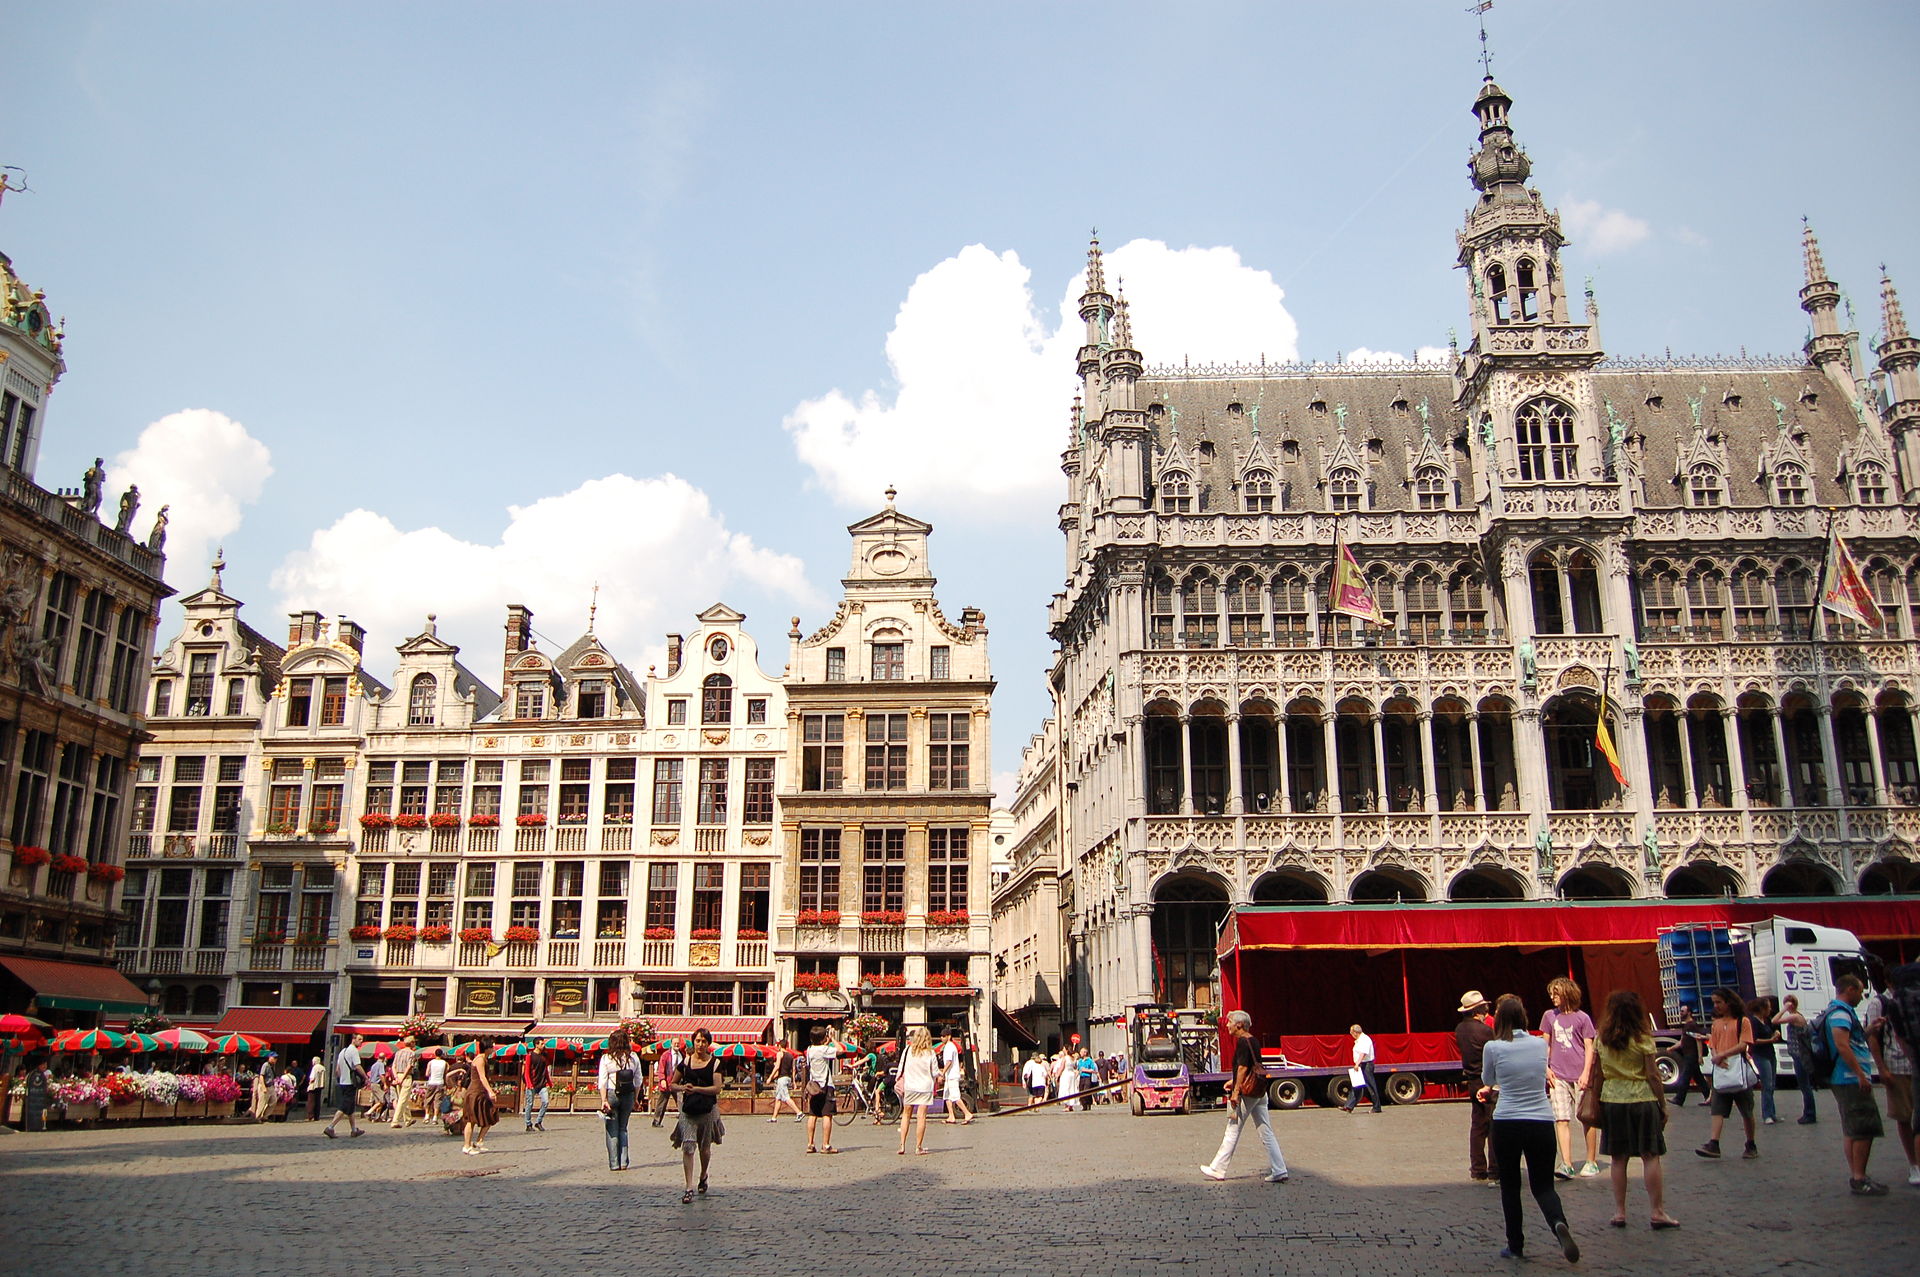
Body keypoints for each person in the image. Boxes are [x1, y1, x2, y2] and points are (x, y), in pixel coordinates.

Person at [1480, 995, 1578, 1263]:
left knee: (1510, 1187)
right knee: (1544, 1186)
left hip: (1508, 1120)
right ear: (1524, 1017)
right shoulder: (1538, 1045)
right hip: (1541, 1120)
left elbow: (1489, 1079)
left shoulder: (1493, 1047)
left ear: (1499, 1019)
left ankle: (1515, 1245)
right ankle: (1558, 1223)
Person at [1595, 989, 1679, 1230]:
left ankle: (1620, 1211)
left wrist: (1598, 1101)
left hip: (1612, 1099)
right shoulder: (1643, 1038)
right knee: (1650, 1155)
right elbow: (1653, 1075)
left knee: (1618, 1158)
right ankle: (1657, 1211)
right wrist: (1662, 1104)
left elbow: (1598, 1074)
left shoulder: (1602, 1038)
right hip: (1642, 1098)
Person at [1200, 1009, 1289, 1183]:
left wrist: (1236, 1090)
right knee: (1266, 1131)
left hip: (1247, 1093)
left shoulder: (1242, 1042)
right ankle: (1279, 1169)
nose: (1227, 1025)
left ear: (1239, 1025)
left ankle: (1218, 1168)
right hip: (1258, 1091)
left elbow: (1242, 1068)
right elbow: (1251, 1066)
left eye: (1230, 1022)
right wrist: (1232, 1081)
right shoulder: (1253, 1040)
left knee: (1232, 1129)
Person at [1825, 973, 1889, 1195]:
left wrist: (1870, 1030)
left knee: (1852, 1129)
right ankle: (1859, 1177)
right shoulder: (1840, 1013)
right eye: (1860, 991)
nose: (1862, 996)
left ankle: (1857, 1175)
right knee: (1863, 1128)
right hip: (1849, 1078)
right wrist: (1861, 1074)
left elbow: (1851, 1039)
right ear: (1849, 989)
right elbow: (1842, 1045)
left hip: (1844, 1077)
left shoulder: (1838, 1012)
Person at [1865, 964, 1920, 1187]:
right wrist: (1882, 1069)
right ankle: (1913, 1164)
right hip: (1896, 1066)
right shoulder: (1880, 1003)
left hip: (1911, 1063)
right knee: (1904, 1117)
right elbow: (1873, 1038)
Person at [1541, 977, 1600, 1180]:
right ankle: (1566, 1163)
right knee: (1561, 1118)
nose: (1552, 997)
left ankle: (1591, 1160)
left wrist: (1586, 1073)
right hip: (1558, 1074)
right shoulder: (1549, 1016)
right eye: (1551, 993)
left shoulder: (1582, 1018)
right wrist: (1546, 1067)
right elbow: (1545, 1045)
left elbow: (1589, 1047)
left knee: (1586, 1117)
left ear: (1567, 994)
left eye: (1556, 993)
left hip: (1579, 1073)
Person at [1696, 987, 1759, 1160]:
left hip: (1737, 1068)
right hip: (1722, 1070)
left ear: (1728, 1002)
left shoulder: (1742, 1021)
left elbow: (1743, 1044)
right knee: (1717, 1109)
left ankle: (1750, 1143)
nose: (1716, 1006)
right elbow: (1713, 1044)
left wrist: (1723, 1055)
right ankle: (1714, 1143)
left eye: (1718, 1002)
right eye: (1714, 1002)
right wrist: (1716, 1056)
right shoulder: (1716, 1023)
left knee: (1746, 1111)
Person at [670, 1027, 724, 1201]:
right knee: (688, 1145)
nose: (700, 1044)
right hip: (688, 1109)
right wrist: (683, 1088)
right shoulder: (685, 1062)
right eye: (698, 1041)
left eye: (704, 1041)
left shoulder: (715, 1063)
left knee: (705, 1148)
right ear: (693, 1041)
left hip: (707, 1109)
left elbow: (717, 1088)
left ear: (708, 1044)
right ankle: (688, 1187)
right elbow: (673, 1084)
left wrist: (698, 1089)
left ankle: (703, 1175)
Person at [1456, 990, 1495, 1183]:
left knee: (1477, 1126)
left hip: (1472, 1080)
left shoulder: (1460, 1029)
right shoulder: (1485, 1031)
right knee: (1493, 1125)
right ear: (1478, 1010)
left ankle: (1478, 1168)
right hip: (1486, 1081)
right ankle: (1495, 1169)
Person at [598, 1027, 641, 1170]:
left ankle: (614, 1163)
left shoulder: (607, 1058)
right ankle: (624, 1162)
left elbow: (602, 1081)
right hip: (628, 1094)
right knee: (623, 1128)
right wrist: (635, 1098)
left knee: (612, 1130)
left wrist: (604, 1100)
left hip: (612, 1094)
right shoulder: (634, 1057)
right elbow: (638, 1080)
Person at [891, 1026, 940, 1154]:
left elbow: (900, 1066)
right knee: (921, 1117)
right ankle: (918, 1147)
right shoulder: (930, 1053)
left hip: (910, 1086)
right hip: (925, 1087)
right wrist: (941, 1074)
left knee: (906, 1115)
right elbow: (935, 1072)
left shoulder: (908, 1050)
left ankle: (902, 1145)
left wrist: (898, 1079)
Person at [1775, 994, 1819, 1123]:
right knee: (1804, 1085)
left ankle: (1810, 1113)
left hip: (1800, 1054)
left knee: (1804, 1085)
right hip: (1798, 1053)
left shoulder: (1795, 1016)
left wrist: (1783, 1010)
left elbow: (1775, 1020)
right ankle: (1808, 1112)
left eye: (1787, 1004)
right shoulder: (1796, 1016)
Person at [322, 1033, 369, 1139]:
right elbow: (357, 1066)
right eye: (359, 1039)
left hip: (343, 1082)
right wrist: (365, 1077)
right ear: (353, 1039)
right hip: (349, 1083)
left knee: (350, 1107)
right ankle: (330, 1127)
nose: (361, 1041)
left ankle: (353, 1130)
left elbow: (337, 1069)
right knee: (344, 1107)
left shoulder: (342, 1051)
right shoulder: (354, 1051)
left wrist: (340, 1078)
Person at [803, 1025, 840, 1154]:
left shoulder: (809, 1050)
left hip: (814, 1087)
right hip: (826, 1086)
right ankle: (826, 1145)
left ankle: (810, 1144)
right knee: (827, 1115)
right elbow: (840, 1050)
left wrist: (826, 1040)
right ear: (823, 1038)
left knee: (812, 1115)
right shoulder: (824, 1050)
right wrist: (833, 1039)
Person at [1747, 997, 1782, 1125]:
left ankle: (1772, 1113)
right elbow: (1754, 1040)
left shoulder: (1765, 1020)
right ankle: (1766, 1114)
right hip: (1760, 1054)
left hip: (1770, 1053)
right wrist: (1770, 1040)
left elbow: (1773, 1027)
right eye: (1768, 1007)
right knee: (1767, 1084)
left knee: (1772, 1084)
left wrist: (1776, 1032)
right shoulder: (1753, 1022)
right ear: (1761, 1008)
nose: (1770, 1009)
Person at [461, 1039, 499, 1155]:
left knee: (491, 1115)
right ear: (487, 1048)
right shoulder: (480, 1059)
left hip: (481, 1092)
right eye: (492, 1047)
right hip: (475, 1092)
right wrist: (491, 1091)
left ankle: (479, 1141)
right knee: (471, 1120)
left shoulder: (485, 1059)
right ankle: (466, 1146)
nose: (493, 1049)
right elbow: (482, 1077)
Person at [1670, 1004, 1711, 1107]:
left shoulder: (1692, 1025)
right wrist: (1671, 1048)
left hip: (1692, 1055)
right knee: (1699, 1078)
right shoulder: (1687, 1026)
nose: (1680, 1013)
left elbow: (1698, 1040)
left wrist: (1700, 1056)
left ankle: (1679, 1098)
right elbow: (1682, 1041)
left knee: (1685, 1077)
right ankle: (1709, 1097)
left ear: (1689, 1013)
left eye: (1682, 1011)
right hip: (1688, 1054)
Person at [1342, 1023, 1381, 1113]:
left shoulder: (1364, 1040)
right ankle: (1348, 1106)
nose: (1351, 1035)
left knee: (1371, 1086)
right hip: (1361, 1065)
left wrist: (1357, 1064)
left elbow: (1363, 1053)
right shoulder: (1359, 1040)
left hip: (1366, 1065)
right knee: (1356, 1085)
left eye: (1351, 1033)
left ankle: (1377, 1107)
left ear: (1355, 1032)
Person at [940, 1031, 975, 1124]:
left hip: (952, 1075)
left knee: (955, 1096)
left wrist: (942, 1073)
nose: (942, 1038)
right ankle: (951, 1116)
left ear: (949, 1036)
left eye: (944, 1036)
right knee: (947, 1096)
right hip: (949, 1076)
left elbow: (949, 1062)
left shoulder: (949, 1047)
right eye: (941, 1036)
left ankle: (967, 1114)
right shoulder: (948, 1046)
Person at [767, 1047, 803, 1123]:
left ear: (780, 1046)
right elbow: (793, 1069)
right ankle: (774, 1117)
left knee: (786, 1097)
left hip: (782, 1079)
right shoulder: (791, 1055)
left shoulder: (779, 1054)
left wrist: (770, 1077)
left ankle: (799, 1112)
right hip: (787, 1078)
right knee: (778, 1098)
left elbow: (777, 1067)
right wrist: (794, 1082)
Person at [649, 1039, 680, 1127]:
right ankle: (656, 1121)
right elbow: (661, 1068)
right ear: (671, 1044)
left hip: (677, 1083)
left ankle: (684, 1120)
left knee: (681, 1101)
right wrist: (662, 1079)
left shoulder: (681, 1055)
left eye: (678, 1043)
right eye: (675, 1043)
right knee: (662, 1103)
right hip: (667, 1082)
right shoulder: (666, 1055)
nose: (677, 1045)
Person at [522, 1044, 551, 1132]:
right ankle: (528, 1124)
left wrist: (549, 1081)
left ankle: (538, 1122)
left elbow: (545, 1070)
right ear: (536, 1045)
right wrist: (529, 1083)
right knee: (530, 1104)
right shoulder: (530, 1056)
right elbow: (526, 1071)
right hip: (532, 1083)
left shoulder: (543, 1056)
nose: (543, 1045)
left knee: (545, 1102)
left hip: (542, 1084)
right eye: (542, 1043)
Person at [418, 1049, 448, 1129]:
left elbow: (427, 1073)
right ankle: (435, 1117)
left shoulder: (431, 1062)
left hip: (431, 1082)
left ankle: (427, 1116)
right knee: (437, 1100)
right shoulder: (445, 1063)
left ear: (435, 1054)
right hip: (440, 1083)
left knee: (428, 1099)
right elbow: (445, 1074)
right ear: (442, 1054)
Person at [251, 1052, 280, 1122]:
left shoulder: (271, 1066)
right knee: (262, 1102)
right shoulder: (265, 1065)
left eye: (276, 1058)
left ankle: (265, 1116)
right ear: (270, 1057)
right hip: (265, 1086)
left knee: (273, 1101)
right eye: (274, 1058)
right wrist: (263, 1087)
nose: (275, 1060)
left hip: (271, 1086)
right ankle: (257, 1117)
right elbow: (261, 1076)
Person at [1056, 1046, 1081, 1111]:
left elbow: (1062, 1067)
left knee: (1066, 1089)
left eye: (1063, 1049)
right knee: (1072, 1089)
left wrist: (1057, 1075)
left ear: (1066, 1050)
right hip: (1072, 1074)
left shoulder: (1065, 1058)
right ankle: (1071, 1106)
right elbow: (1075, 1067)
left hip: (1066, 1074)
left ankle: (1067, 1105)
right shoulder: (1073, 1058)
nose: (1062, 1050)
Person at [305, 1053, 326, 1121]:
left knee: (311, 1101)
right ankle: (317, 1116)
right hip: (320, 1086)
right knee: (317, 1101)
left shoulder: (315, 1067)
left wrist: (309, 1082)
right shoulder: (323, 1067)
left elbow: (312, 1077)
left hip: (313, 1086)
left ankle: (310, 1116)